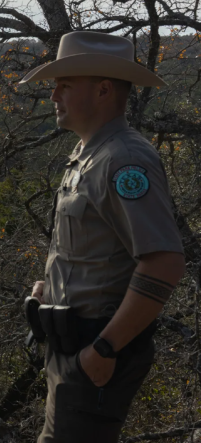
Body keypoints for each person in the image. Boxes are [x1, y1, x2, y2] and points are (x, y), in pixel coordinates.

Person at [19, 31, 185, 443]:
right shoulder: (89, 154)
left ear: (104, 90)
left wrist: (105, 349)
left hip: (96, 350)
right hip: (71, 346)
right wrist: (52, 286)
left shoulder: (123, 159)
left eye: (66, 85)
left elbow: (164, 261)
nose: (53, 94)